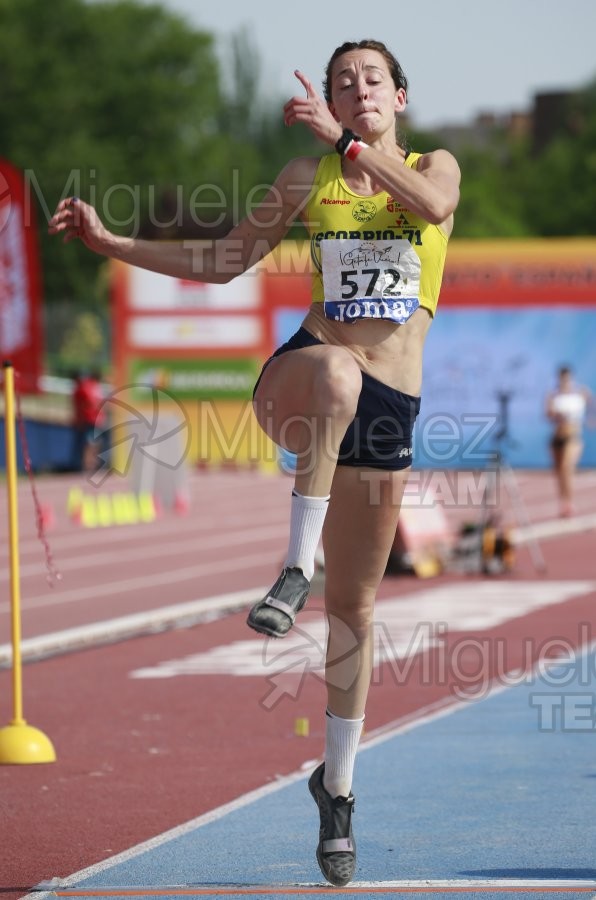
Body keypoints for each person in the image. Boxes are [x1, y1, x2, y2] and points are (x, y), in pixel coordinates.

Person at [49, 39, 460, 886]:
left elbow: (427, 207)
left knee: (356, 612)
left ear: (400, 98)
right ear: (332, 105)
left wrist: (356, 151)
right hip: (306, 376)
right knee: (340, 375)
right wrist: (116, 243)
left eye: (371, 80)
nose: (357, 90)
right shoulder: (304, 182)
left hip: (393, 408)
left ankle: (337, 790)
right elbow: (225, 260)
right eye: (343, 84)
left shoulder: (434, 166)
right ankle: (290, 566)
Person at [545, 365, 592, 518]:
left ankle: (569, 502)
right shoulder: (554, 395)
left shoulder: (580, 393)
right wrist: (556, 414)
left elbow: (592, 406)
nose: (564, 381)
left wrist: (591, 420)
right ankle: (563, 502)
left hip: (573, 436)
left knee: (567, 468)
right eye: (562, 379)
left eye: (567, 378)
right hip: (557, 436)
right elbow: (548, 414)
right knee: (559, 472)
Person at [71, 369, 107, 473]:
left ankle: (92, 464)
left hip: (94, 420)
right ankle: (88, 466)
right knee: (90, 443)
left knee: (94, 443)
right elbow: (89, 403)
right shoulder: (88, 387)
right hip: (91, 420)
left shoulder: (94, 387)